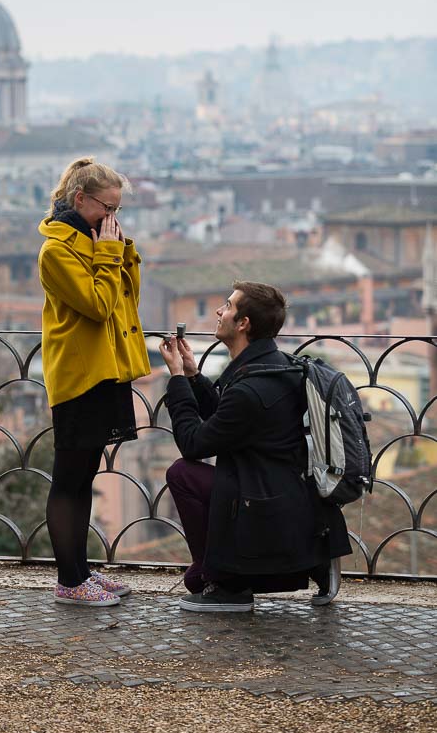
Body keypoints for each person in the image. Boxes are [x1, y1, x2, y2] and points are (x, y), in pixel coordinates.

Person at [159, 281, 351, 613]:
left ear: (244, 323)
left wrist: (176, 379)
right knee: (195, 577)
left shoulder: (251, 387)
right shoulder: (278, 366)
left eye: (228, 306)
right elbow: (227, 417)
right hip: (287, 495)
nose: (220, 311)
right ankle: (312, 562)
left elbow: (193, 444)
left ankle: (227, 586)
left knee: (183, 473)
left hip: (262, 502)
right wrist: (193, 376)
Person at [38, 156, 151, 606]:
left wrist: (120, 253)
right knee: (68, 478)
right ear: (79, 199)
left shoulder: (93, 239)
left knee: (85, 476)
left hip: (107, 369)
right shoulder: (57, 251)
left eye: (118, 211)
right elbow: (97, 307)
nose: (112, 219)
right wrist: (107, 253)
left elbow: (126, 301)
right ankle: (69, 580)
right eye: (106, 209)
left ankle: (82, 571)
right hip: (79, 375)